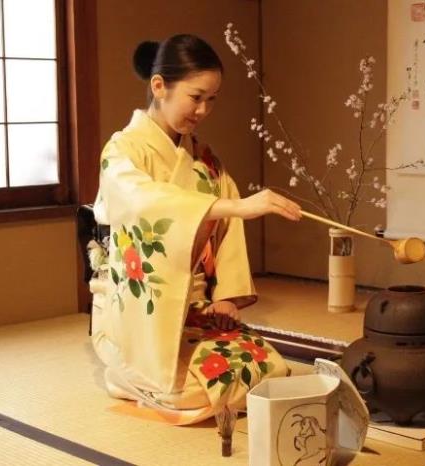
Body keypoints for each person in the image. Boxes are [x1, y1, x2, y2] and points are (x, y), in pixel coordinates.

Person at [89, 34, 302, 425]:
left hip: (194, 310)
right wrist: (236, 206)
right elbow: (143, 202)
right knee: (201, 391)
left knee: (268, 369)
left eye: (212, 99)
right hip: (137, 317)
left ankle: (151, 382)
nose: (203, 110)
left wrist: (226, 297)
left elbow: (226, 219)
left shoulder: (201, 159)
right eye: (196, 96)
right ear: (159, 86)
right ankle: (126, 371)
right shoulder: (121, 151)